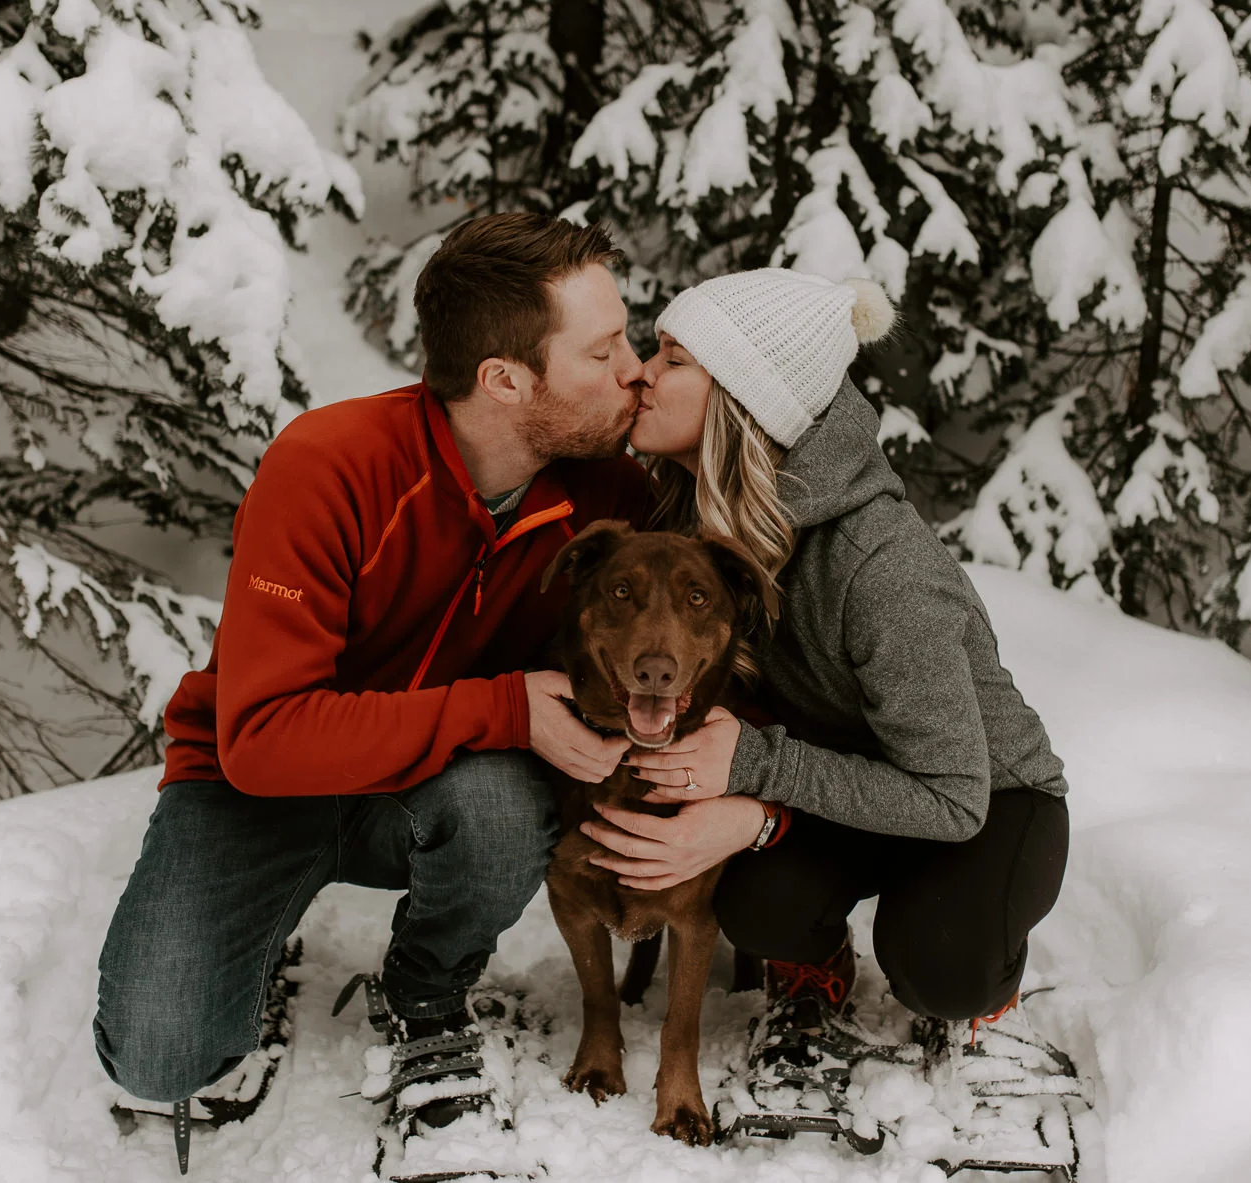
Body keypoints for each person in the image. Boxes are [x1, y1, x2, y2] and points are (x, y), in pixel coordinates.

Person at [91, 213, 651, 1154]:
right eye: (604, 350)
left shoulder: (607, 497)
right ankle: (257, 945)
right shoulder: (331, 465)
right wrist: (505, 707)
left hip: (437, 784)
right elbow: (262, 737)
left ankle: (426, 989)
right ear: (506, 379)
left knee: (505, 810)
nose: (634, 367)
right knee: (158, 1053)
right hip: (252, 787)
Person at [584, 265, 1070, 1056]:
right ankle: (818, 959)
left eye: (673, 359)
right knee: (754, 901)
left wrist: (757, 781)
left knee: (943, 968)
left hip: (983, 796)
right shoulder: (687, 511)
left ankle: (989, 975)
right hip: (844, 781)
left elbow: (950, 796)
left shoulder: (881, 568)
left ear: (744, 400)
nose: (640, 370)